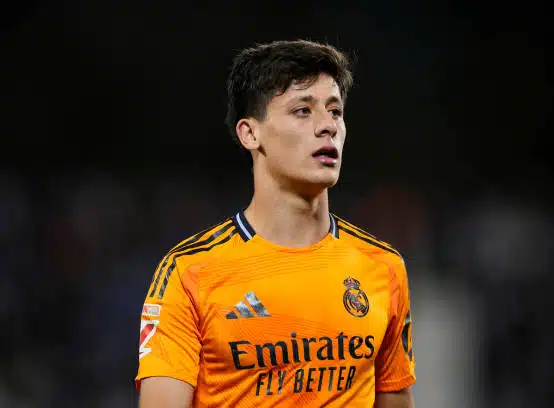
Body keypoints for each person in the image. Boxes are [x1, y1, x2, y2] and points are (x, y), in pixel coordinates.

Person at [136, 39, 416, 408]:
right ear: (250, 134)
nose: (327, 126)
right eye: (303, 110)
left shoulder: (383, 267)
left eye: (335, 111)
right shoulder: (189, 273)